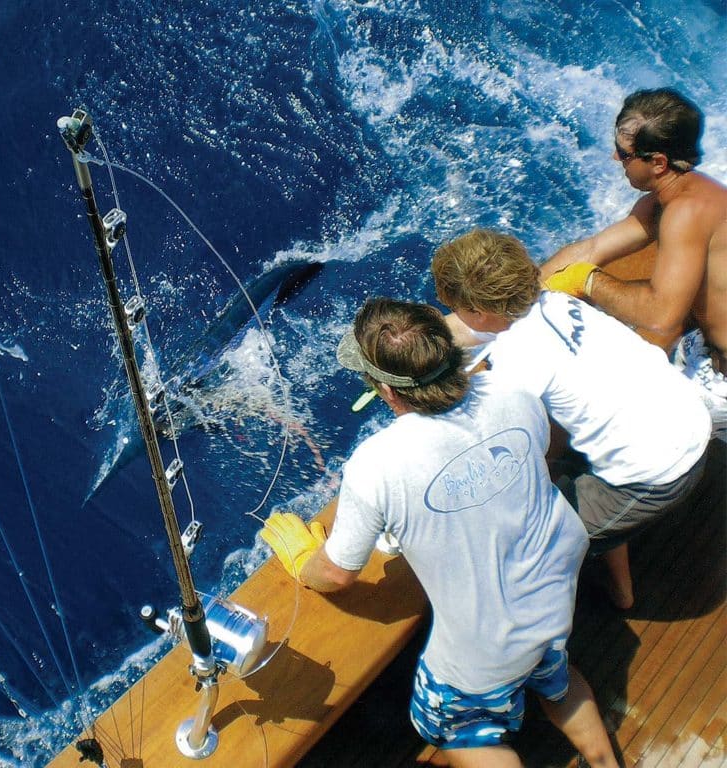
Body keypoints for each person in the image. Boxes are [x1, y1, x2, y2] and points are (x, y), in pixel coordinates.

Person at [261, 298, 618, 768]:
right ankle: (606, 761)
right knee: (556, 674)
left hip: (482, 650)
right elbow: (538, 454)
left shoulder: (376, 464)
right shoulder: (513, 391)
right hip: (552, 607)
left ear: (386, 391)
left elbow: (337, 574)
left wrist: (305, 561)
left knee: (464, 733)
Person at [434, 229, 710, 610]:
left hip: (658, 475)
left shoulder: (517, 359)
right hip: (688, 423)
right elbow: (489, 336)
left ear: (480, 313)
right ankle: (620, 589)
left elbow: (494, 444)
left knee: (517, 545)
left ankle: (554, 637)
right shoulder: (560, 301)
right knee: (560, 456)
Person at [540, 87, 727, 433]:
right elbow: (591, 249)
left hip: (721, 382)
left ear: (657, 162)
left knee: (609, 424)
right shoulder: (671, 198)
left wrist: (587, 281)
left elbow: (660, 315)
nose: (615, 158)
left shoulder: (685, 213)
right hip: (707, 347)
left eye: (625, 155)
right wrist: (518, 296)